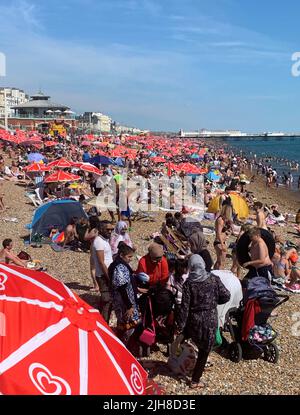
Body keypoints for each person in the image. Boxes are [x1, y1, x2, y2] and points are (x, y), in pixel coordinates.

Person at [176, 255, 230, 389]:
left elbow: (185, 307)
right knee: (204, 351)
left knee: (188, 338)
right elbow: (226, 295)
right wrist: (213, 302)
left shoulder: (189, 283)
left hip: (194, 319)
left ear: (191, 267)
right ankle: (195, 380)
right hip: (210, 318)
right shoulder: (213, 279)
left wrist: (181, 326)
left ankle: (177, 359)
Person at [108, 242, 140, 345]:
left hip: (122, 299)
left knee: (122, 321)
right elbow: (122, 288)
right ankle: (124, 343)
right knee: (128, 322)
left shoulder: (117, 264)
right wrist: (129, 306)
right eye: (129, 256)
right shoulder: (120, 267)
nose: (130, 259)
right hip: (123, 301)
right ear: (122, 255)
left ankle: (121, 341)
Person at [91, 221, 114, 323]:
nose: (110, 231)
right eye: (107, 229)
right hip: (103, 275)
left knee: (107, 299)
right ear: (100, 230)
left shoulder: (104, 240)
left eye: (111, 229)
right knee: (107, 300)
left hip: (105, 274)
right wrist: (109, 277)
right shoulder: (99, 241)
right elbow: (101, 262)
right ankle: (104, 323)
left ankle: (100, 318)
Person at [214, 204, 232, 270]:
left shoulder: (223, 220)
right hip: (219, 242)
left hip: (221, 242)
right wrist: (222, 244)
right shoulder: (220, 220)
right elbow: (218, 233)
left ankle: (214, 273)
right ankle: (218, 276)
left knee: (219, 261)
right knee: (222, 262)